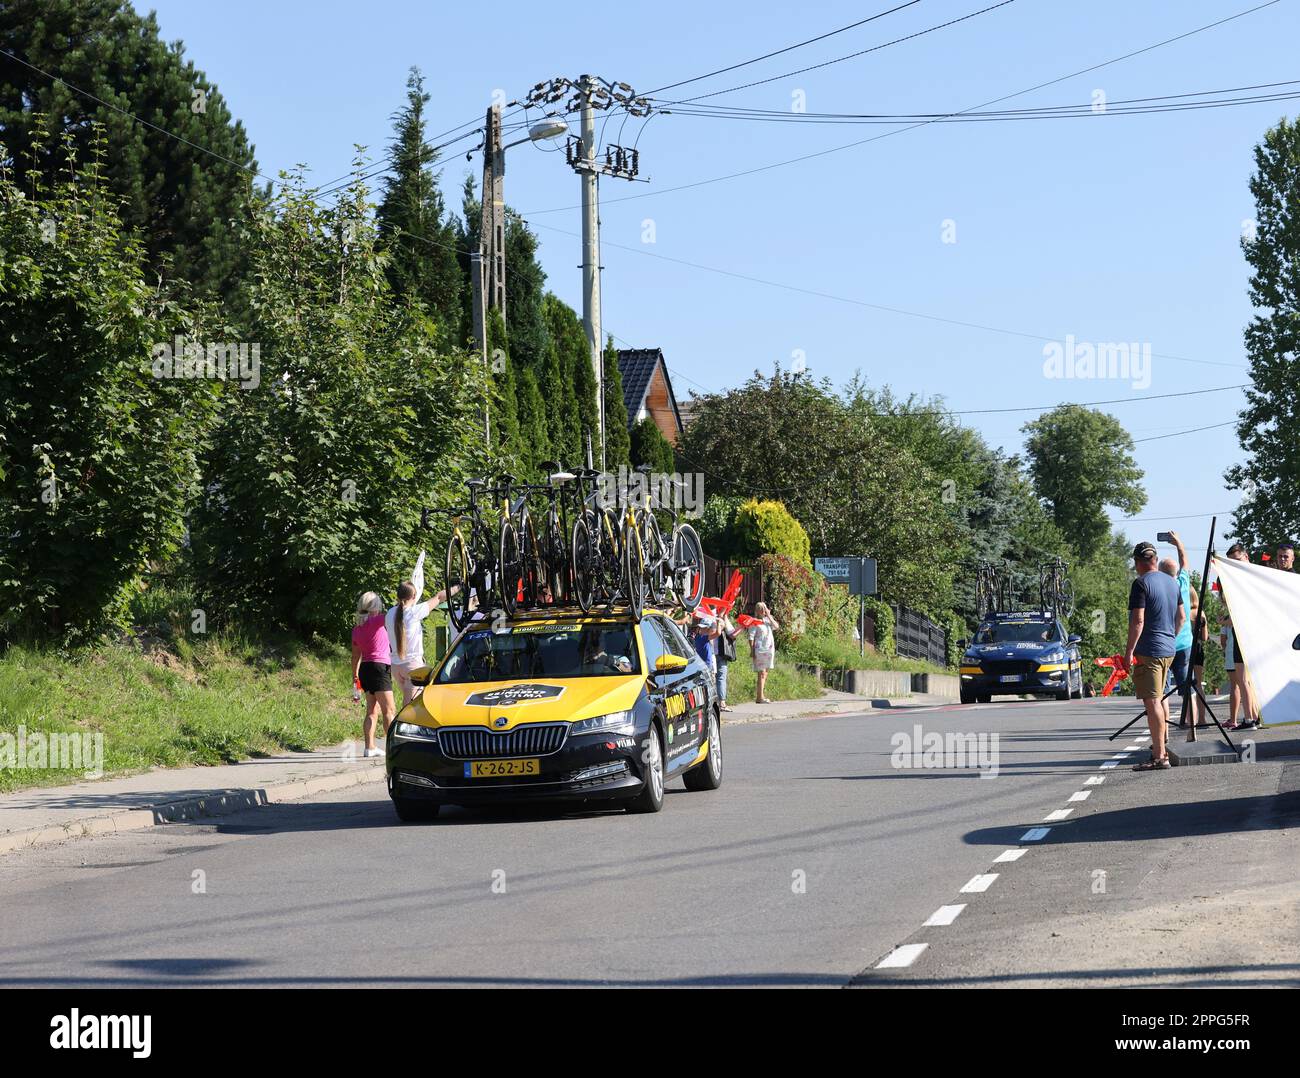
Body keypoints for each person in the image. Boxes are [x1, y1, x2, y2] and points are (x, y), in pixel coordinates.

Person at [1126, 541, 1184, 771]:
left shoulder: (1140, 584)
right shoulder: (1172, 582)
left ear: (1138, 562)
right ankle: (1160, 747)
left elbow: (1138, 621)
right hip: (1168, 649)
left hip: (1149, 651)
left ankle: (1160, 755)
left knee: (1152, 703)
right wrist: (1171, 637)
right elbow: (1181, 617)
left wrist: (1129, 650)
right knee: (1159, 699)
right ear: (1155, 560)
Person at [386, 581, 453, 709]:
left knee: (414, 705)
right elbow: (439, 597)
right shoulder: (414, 612)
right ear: (414, 596)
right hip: (413, 667)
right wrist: (458, 587)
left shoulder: (390, 613)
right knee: (410, 708)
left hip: (396, 666)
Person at [1220, 543, 1261, 729]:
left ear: (1246, 557)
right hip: (1241, 633)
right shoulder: (1237, 580)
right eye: (1231, 562)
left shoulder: (1250, 578)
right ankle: (1253, 717)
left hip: (1249, 634)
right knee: (1245, 680)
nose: (1235, 565)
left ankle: (1251, 719)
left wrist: (1227, 621)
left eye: (1237, 560)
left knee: (1245, 679)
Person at [351, 591, 395, 758]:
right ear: (375, 606)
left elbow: (355, 656)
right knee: (389, 710)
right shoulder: (377, 620)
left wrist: (355, 676)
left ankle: (369, 747)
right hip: (379, 668)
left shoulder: (356, 629)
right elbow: (394, 614)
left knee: (371, 710)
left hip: (365, 669)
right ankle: (393, 748)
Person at [1161, 532, 1194, 718]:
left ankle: (1163, 733)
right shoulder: (1182, 582)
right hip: (1184, 644)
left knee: (1162, 692)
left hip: (1165, 644)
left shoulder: (1159, 589)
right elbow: (1184, 562)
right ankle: (1192, 730)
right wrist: (1178, 543)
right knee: (1188, 690)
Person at [747, 601, 780, 704]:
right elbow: (751, 637)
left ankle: (760, 695)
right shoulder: (754, 622)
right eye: (762, 610)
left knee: (765, 673)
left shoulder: (767, 621)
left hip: (769, 649)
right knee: (761, 673)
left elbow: (776, 626)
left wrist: (769, 615)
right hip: (760, 650)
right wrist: (752, 651)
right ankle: (760, 697)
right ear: (758, 611)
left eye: (765, 609)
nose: (764, 612)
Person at [715, 613, 739, 713]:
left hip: (706, 653)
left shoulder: (705, 616)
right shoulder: (721, 619)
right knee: (721, 678)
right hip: (720, 653)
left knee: (710, 678)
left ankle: (713, 702)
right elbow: (732, 634)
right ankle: (722, 703)